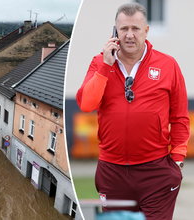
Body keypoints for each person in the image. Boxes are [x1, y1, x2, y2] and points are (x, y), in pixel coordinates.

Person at [76, 3, 190, 220]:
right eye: (123, 29)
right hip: (112, 172)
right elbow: (86, 104)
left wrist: (177, 159)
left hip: (156, 170)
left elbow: (179, 117)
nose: (129, 35)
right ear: (115, 32)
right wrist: (105, 67)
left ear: (146, 31)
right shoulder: (99, 63)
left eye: (135, 29)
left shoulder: (168, 65)